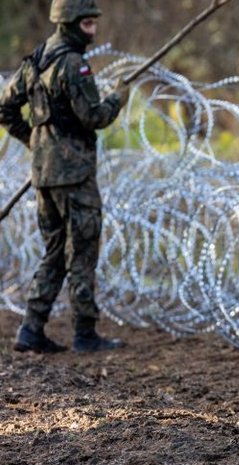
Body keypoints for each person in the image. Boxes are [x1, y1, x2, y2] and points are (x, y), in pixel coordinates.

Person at [0, 0, 128, 354]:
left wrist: (36, 142)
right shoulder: (73, 64)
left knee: (54, 251)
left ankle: (30, 329)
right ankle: (85, 333)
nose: (93, 31)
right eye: (87, 24)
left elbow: (5, 108)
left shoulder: (36, 60)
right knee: (82, 250)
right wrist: (117, 99)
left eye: (94, 23)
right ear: (69, 23)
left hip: (44, 174)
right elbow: (93, 117)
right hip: (74, 175)